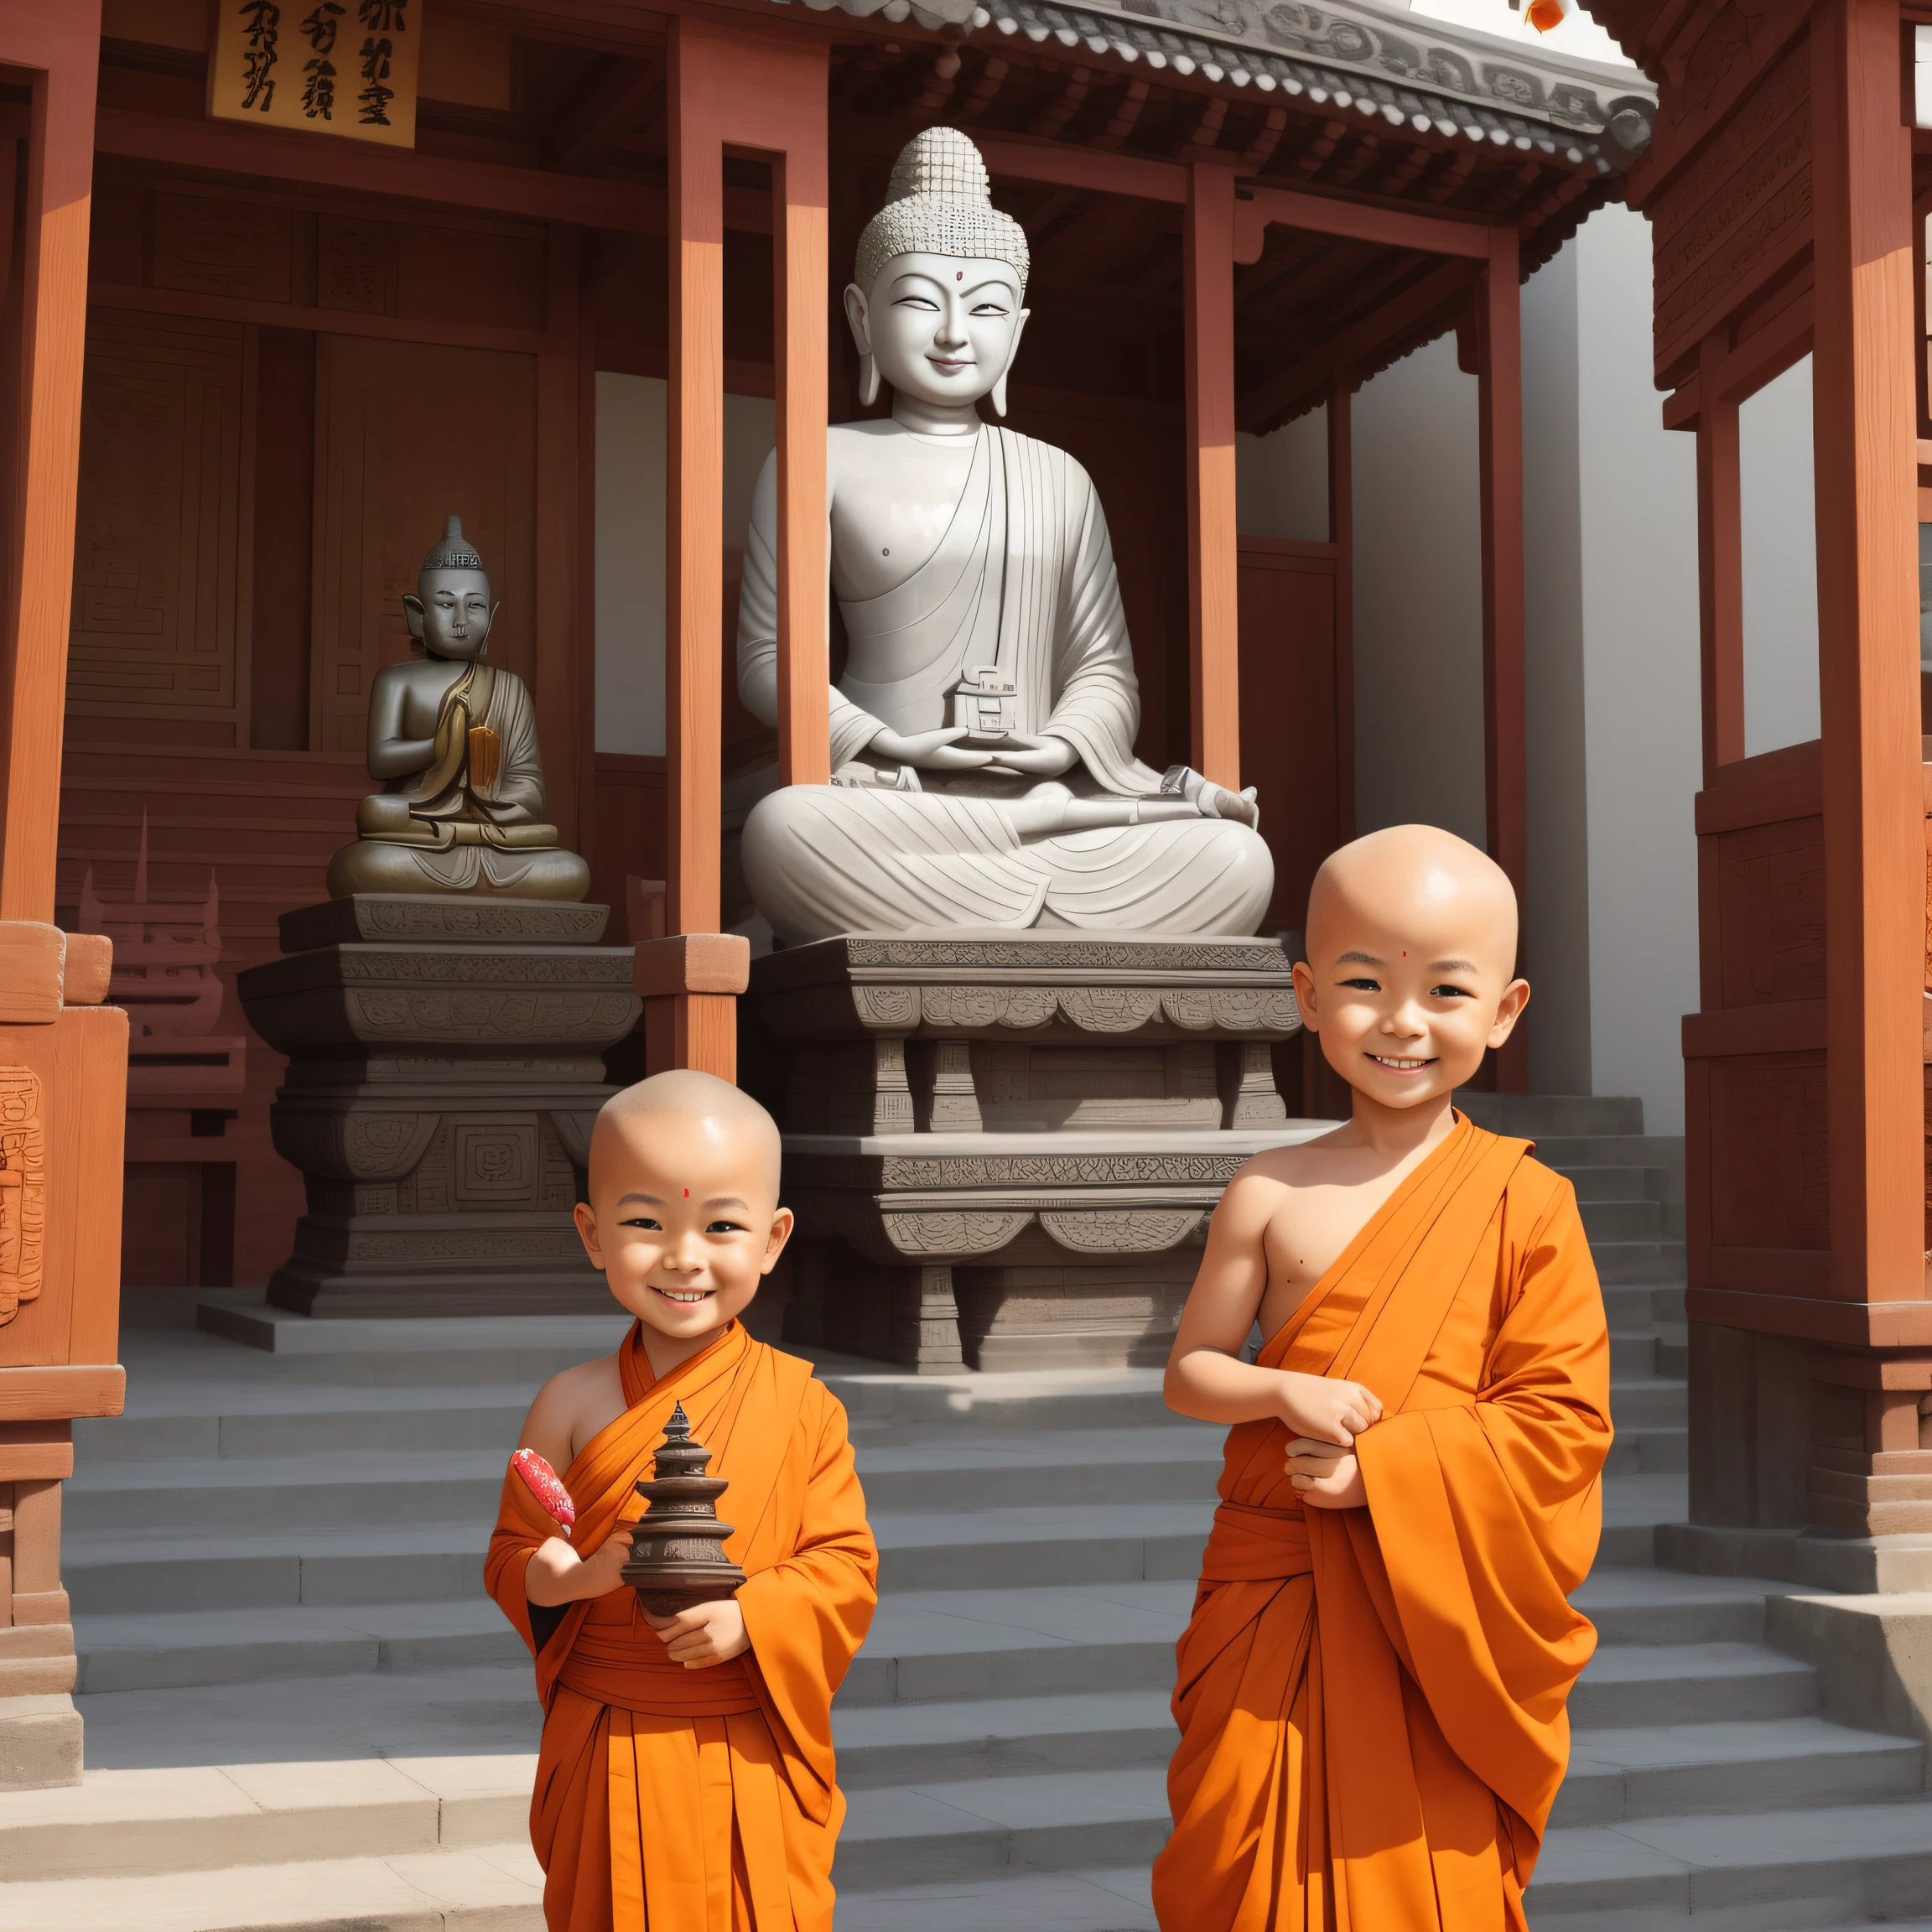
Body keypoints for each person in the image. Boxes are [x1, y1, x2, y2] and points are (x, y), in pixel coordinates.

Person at [1151, 823, 1612, 1930]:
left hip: (1430, 1609)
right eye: (1364, 983)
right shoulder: (1269, 1189)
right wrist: (1279, 1392)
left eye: (1447, 991)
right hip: (1277, 1592)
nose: (1403, 1021)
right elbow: (1192, 1372)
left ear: (1504, 1013)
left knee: (1421, 1870)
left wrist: (1389, 1472)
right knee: (1241, 1849)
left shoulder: (1526, 1203)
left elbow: (1562, 1426)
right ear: (1308, 996)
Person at [731, 125, 1272, 943]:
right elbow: (767, 659)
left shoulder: (1061, 476)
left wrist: (1057, 750)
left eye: (984, 307)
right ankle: (1037, 921)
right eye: (920, 300)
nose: (955, 334)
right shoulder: (817, 461)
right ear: (860, 317)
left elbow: (1103, 669)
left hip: (1050, 800)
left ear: (1017, 330)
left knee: (1235, 858)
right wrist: (886, 744)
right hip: (891, 798)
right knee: (785, 832)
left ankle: (1003, 907)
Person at [484, 1072, 876, 1931]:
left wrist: (754, 1617)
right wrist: (571, 1578)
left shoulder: (804, 1406)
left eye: (722, 1225)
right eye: (645, 1223)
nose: (684, 1256)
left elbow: (844, 1567)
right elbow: (517, 1554)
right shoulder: (570, 1402)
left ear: (774, 1239)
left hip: (744, 1735)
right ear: (592, 1234)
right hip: (607, 1728)